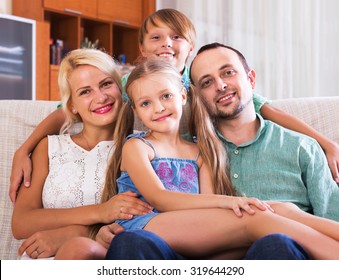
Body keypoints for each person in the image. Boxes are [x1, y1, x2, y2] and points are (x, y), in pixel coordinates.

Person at [8, 9, 316, 260]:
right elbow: (63, 111)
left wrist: (323, 143)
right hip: (141, 232)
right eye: (156, 37)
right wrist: (26, 147)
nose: (99, 97)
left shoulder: (201, 91)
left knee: (271, 235)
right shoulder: (133, 140)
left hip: (181, 226)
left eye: (105, 86)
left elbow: (259, 106)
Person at [56, 58, 339, 260]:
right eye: (145, 103)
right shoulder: (138, 147)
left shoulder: (199, 150)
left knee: (280, 208)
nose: (158, 108)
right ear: (136, 111)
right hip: (147, 226)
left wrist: (230, 205)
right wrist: (231, 202)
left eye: (165, 96)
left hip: (190, 238)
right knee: (257, 218)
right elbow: (160, 198)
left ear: (182, 96)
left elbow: (209, 216)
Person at [11, 48, 156, 259]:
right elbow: (21, 223)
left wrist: (79, 233)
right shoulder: (48, 147)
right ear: (72, 105)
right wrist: (101, 211)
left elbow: (147, 217)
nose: (100, 97)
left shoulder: (141, 147)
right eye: (85, 91)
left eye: (106, 84)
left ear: (120, 88)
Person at [189, 43, 339, 222]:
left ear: (251, 79)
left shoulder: (302, 148)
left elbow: (332, 220)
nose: (220, 85)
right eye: (207, 82)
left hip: (292, 246)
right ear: (198, 97)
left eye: (228, 72)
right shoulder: (187, 152)